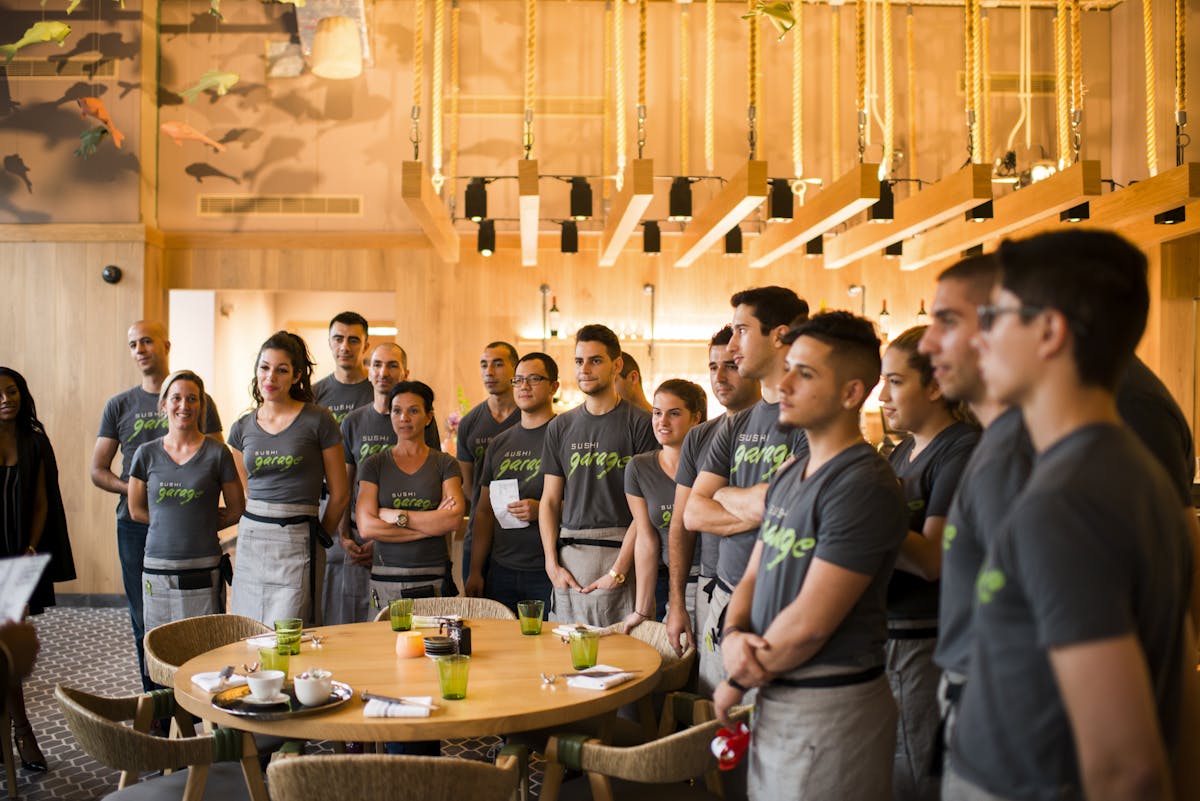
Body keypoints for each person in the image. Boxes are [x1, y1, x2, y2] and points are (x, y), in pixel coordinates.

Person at [946, 229, 1198, 801]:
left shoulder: (1064, 504)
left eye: (998, 317)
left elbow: (1125, 768)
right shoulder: (1124, 466)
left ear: (1050, 331)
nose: (980, 339)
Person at [713, 312, 907, 801]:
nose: (785, 383)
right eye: (788, 368)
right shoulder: (788, 474)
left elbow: (812, 622)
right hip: (777, 690)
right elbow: (753, 575)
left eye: (806, 373)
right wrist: (733, 634)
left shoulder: (864, 480)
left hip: (832, 704)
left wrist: (738, 674)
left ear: (851, 393)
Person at [685, 287, 809, 695]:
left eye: (742, 331)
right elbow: (692, 514)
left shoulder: (810, 421)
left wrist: (724, 494)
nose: (733, 346)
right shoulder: (735, 424)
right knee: (716, 731)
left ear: (779, 336)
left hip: (782, 603)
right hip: (724, 597)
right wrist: (753, 502)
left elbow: (789, 510)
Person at [91, 321, 222, 692]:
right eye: (133, 344)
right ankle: (157, 701)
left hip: (190, 528)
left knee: (200, 615)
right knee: (143, 617)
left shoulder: (198, 398)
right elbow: (98, 470)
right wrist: (140, 493)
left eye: (147, 341)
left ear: (165, 345)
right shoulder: (119, 404)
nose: (140, 350)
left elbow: (214, 460)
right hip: (136, 524)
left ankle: (199, 695)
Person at [878, 327, 979, 801]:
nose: (882, 396)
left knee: (914, 772)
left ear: (936, 385)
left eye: (895, 382)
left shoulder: (962, 449)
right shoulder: (901, 450)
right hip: (889, 633)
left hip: (924, 637)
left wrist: (864, 509)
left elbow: (934, 560)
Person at [227, 331, 348, 625]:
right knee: (249, 627)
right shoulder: (241, 427)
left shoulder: (318, 420)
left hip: (299, 537)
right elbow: (246, 492)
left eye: (282, 370)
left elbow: (341, 491)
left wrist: (321, 536)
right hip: (253, 539)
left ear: (296, 376)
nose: (271, 377)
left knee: (292, 629)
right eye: (264, 367)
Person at [539, 324, 657, 626]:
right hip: (570, 557)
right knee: (568, 656)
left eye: (595, 360)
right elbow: (550, 501)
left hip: (622, 552)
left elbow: (645, 512)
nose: (585, 369)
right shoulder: (560, 427)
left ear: (616, 365)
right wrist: (552, 565)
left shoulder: (642, 424)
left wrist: (619, 570)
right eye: (579, 361)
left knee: (623, 658)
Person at [664, 326, 762, 656]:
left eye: (730, 366)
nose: (719, 376)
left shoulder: (782, 427)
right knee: (709, 696)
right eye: (712, 366)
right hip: (709, 584)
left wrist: (716, 502)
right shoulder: (700, 435)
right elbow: (683, 522)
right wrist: (677, 603)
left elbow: (791, 509)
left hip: (768, 586)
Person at [128, 371, 245, 631]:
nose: (184, 405)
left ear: (201, 405)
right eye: (176, 398)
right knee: (161, 644)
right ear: (164, 404)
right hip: (158, 566)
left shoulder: (218, 453)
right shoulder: (145, 454)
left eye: (192, 399)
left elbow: (237, 509)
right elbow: (135, 510)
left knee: (204, 642)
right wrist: (170, 524)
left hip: (203, 565)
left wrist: (198, 524)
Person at [0, 367, 74, 772]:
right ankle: (16, 731)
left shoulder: (35, 441)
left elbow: (45, 501)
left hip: (17, 561)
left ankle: (22, 732)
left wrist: (30, 549)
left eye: (11, 391)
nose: (5, 399)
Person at [338, 344, 445, 622]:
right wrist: (345, 535)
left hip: (407, 548)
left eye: (392, 365)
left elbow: (433, 481)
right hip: (359, 535)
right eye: (377, 365)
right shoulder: (353, 421)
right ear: (369, 371)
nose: (384, 372)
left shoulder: (419, 422)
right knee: (360, 620)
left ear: (405, 372)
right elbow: (345, 483)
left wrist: (386, 533)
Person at [465, 353, 560, 613]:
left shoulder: (564, 434)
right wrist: (475, 570)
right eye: (518, 380)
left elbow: (583, 505)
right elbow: (484, 512)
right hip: (502, 569)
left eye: (533, 379)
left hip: (549, 569)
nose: (524, 387)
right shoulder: (499, 443)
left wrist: (541, 508)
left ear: (554, 386)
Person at [357, 381, 465, 601]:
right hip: (385, 577)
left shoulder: (446, 464)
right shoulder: (374, 465)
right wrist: (432, 526)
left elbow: (453, 520)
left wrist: (398, 516)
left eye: (413, 410)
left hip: (434, 579)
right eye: (397, 411)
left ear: (428, 417)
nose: (404, 418)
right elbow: (367, 528)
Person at [622, 379, 706, 630]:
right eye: (657, 413)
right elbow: (646, 539)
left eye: (674, 413)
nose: (662, 422)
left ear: (696, 418)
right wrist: (642, 609)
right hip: (672, 585)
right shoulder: (639, 467)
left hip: (711, 582)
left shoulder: (712, 462)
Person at [457, 342, 521, 586]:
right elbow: (468, 485)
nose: (489, 372)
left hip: (524, 537)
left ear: (515, 368)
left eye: (498, 364)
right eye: (484, 365)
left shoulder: (529, 417)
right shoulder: (470, 423)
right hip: (480, 530)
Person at [312, 312, 373, 425]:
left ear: (365, 346)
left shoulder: (380, 389)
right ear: (330, 343)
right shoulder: (314, 393)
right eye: (338, 339)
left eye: (353, 341)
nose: (345, 347)